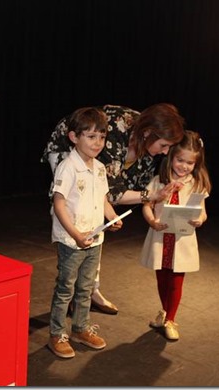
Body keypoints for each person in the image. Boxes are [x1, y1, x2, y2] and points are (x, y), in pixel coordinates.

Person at [42, 103, 185, 314]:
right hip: (70, 143)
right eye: (164, 145)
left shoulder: (145, 146)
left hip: (96, 152)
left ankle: (90, 289)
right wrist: (151, 196)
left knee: (96, 221)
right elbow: (113, 193)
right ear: (148, 133)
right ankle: (72, 290)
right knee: (76, 210)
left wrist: (117, 211)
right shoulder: (114, 133)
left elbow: (118, 193)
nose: (165, 152)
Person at [48, 107, 124, 359]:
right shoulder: (67, 166)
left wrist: (112, 217)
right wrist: (76, 234)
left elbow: (103, 199)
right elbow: (58, 204)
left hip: (94, 238)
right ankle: (57, 333)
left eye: (101, 137)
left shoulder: (100, 168)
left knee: (86, 287)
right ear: (74, 137)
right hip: (72, 240)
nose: (97, 142)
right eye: (90, 136)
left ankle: (80, 328)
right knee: (66, 288)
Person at [139, 130, 211, 341]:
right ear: (171, 156)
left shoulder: (196, 183)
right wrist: (152, 221)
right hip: (161, 238)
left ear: (196, 164)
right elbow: (147, 205)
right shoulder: (158, 180)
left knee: (176, 280)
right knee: (162, 278)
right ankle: (163, 312)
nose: (184, 166)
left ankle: (171, 319)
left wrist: (200, 220)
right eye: (180, 160)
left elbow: (203, 211)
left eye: (190, 163)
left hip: (182, 240)